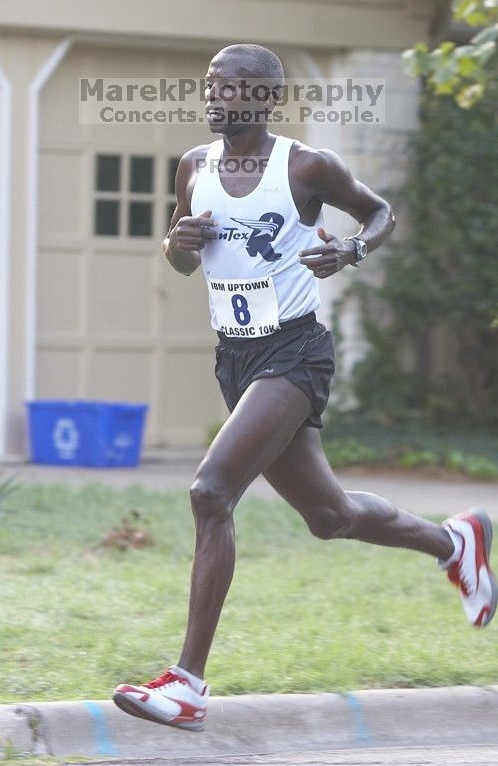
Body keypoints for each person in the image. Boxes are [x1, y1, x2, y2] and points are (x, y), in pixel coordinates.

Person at [112, 44, 497, 731]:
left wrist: (348, 250)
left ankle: (187, 683)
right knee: (329, 516)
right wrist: (179, 240)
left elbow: (380, 213)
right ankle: (454, 542)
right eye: (209, 85)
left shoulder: (305, 166)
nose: (215, 96)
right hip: (235, 356)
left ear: (263, 98)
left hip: (293, 353)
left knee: (210, 490)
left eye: (230, 88)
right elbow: (177, 261)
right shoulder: (193, 166)